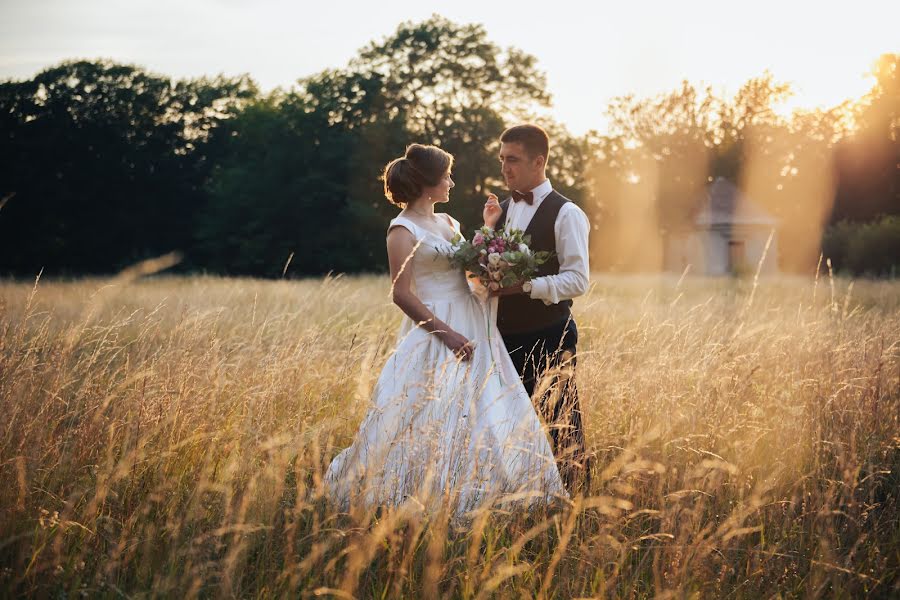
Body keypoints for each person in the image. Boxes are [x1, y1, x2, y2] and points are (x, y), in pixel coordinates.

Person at [324, 143, 566, 516]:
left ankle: (491, 491)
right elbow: (400, 294)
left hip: (472, 317)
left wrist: (488, 230)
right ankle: (420, 493)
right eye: (447, 176)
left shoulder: (449, 222)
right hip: (436, 326)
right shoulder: (401, 230)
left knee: (485, 405)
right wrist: (447, 335)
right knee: (430, 407)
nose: (452, 182)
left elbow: (467, 268)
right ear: (428, 183)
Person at [489, 124, 591, 495]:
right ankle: (522, 499)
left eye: (512, 160)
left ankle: (577, 500)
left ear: (539, 161)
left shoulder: (567, 214)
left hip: (549, 333)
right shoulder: (497, 212)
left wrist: (527, 286)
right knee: (509, 426)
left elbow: (578, 280)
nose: (505, 168)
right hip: (500, 339)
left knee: (562, 424)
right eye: (502, 160)